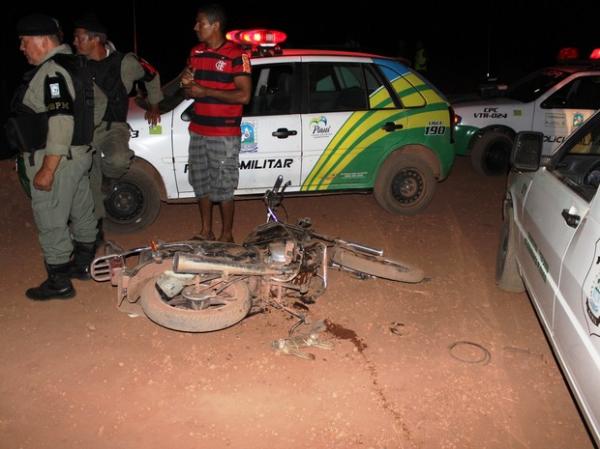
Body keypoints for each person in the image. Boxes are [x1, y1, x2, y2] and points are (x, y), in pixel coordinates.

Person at [10, 14, 104, 300]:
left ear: (42, 40)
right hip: (77, 155)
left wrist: (48, 168)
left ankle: (59, 280)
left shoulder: (52, 72)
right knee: (81, 210)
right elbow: (99, 102)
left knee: (51, 216)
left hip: (57, 157)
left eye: (25, 42)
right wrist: (84, 140)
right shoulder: (76, 65)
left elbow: (61, 119)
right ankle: (84, 265)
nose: (22, 48)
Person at [72, 15, 163, 232]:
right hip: (85, 129)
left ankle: (106, 182)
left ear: (95, 40)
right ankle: (93, 226)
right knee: (82, 171)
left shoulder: (124, 63)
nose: (74, 42)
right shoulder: (75, 65)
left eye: (79, 38)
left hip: (113, 127)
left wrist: (154, 104)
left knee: (119, 160)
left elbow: (151, 74)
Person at [180, 4, 252, 243]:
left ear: (215, 25)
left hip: (224, 132)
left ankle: (226, 235)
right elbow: (191, 93)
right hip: (198, 130)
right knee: (200, 182)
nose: (195, 27)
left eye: (200, 23)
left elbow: (244, 95)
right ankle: (205, 231)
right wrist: (187, 85)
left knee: (224, 186)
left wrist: (204, 90)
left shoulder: (237, 54)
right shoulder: (196, 53)